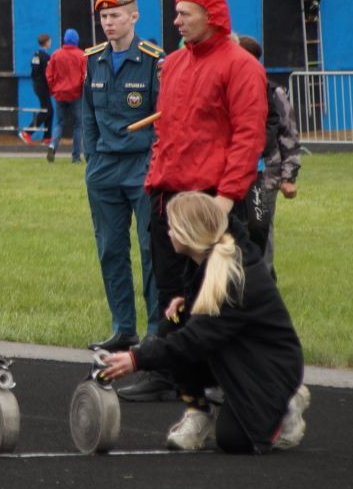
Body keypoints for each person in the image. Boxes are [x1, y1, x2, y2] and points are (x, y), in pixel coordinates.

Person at [123, 0, 267, 402]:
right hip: (167, 196)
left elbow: (248, 136)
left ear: (211, 15)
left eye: (184, 13)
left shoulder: (241, 65)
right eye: (176, 13)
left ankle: (226, 377)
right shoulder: (175, 64)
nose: (177, 21)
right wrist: (155, 183)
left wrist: (226, 198)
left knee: (214, 296)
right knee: (170, 291)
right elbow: (168, 131)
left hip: (210, 200)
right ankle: (171, 373)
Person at [99, 191, 308, 453]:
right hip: (242, 352)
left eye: (174, 228)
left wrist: (136, 358)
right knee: (172, 323)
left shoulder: (235, 278)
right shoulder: (204, 260)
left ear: (190, 234)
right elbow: (199, 327)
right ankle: (200, 410)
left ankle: (286, 403)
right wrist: (188, 304)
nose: (169, 233)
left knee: (235, 441)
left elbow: (194, 340)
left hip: (269, 365)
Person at [80, 0, 163, 353]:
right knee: (110, 249)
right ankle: (123, 328)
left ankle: (156, 331)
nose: (108, 23)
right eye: (103, 17)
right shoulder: (93, 60)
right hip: (104, 169)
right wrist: (93, 157)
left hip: (141, 167)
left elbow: (165, 117)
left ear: (134, 17)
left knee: (151, 250)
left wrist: (157, 162)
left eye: (115, 16)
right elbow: (87, 113)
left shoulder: (153, 60)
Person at [236, 36, 301, 272]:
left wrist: (289, 177)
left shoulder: (273, 91)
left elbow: (288, 134)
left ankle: (264, 279)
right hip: (235, 172)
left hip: (266, 174)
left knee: (261, 227)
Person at [44, 28, 87, 163]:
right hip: (76, 94)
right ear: (76, 41)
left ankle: (53, 145)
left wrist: (53, 90)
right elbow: (84, 76)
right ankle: (75, 156)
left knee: (59, 123)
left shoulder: (56, 55)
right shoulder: (82, 55)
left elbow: (49, 75)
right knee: (78, 125)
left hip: (59, 94)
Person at [20, 34, 54, 146]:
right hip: (43, 86)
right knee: (46, 111)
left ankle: (47, 137)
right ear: (46, 42)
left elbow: (34, 71)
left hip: (37, 85)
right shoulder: (46, 57)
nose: (50, 43)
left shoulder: (36, 55)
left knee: (49, 110)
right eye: (50, 41)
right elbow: (48, 74)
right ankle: (27, 132)